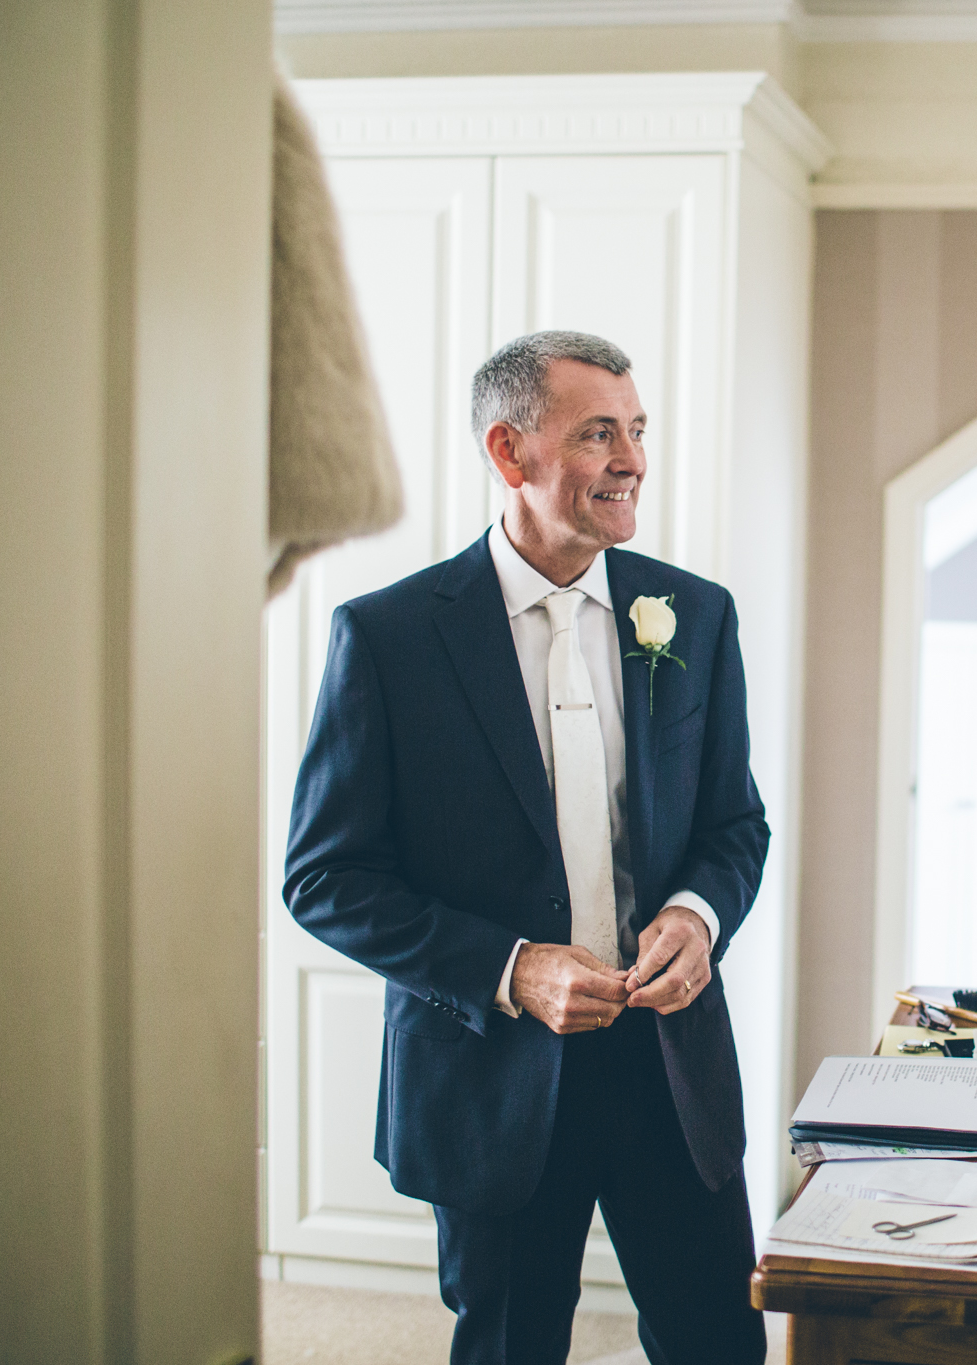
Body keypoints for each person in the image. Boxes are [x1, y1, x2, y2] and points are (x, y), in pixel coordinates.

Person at [284, 330, 770, 1365]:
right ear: (510, 454)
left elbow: (735, 825)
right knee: (509, 1347)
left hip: (669, 1064)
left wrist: (695, 913)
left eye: (636, 431)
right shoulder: (389, 638)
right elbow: (325, 877)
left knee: (717, 1342)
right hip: (487, 1076)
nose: (633, 459)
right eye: (600, 434)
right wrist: (510, 969)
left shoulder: (694, 616)